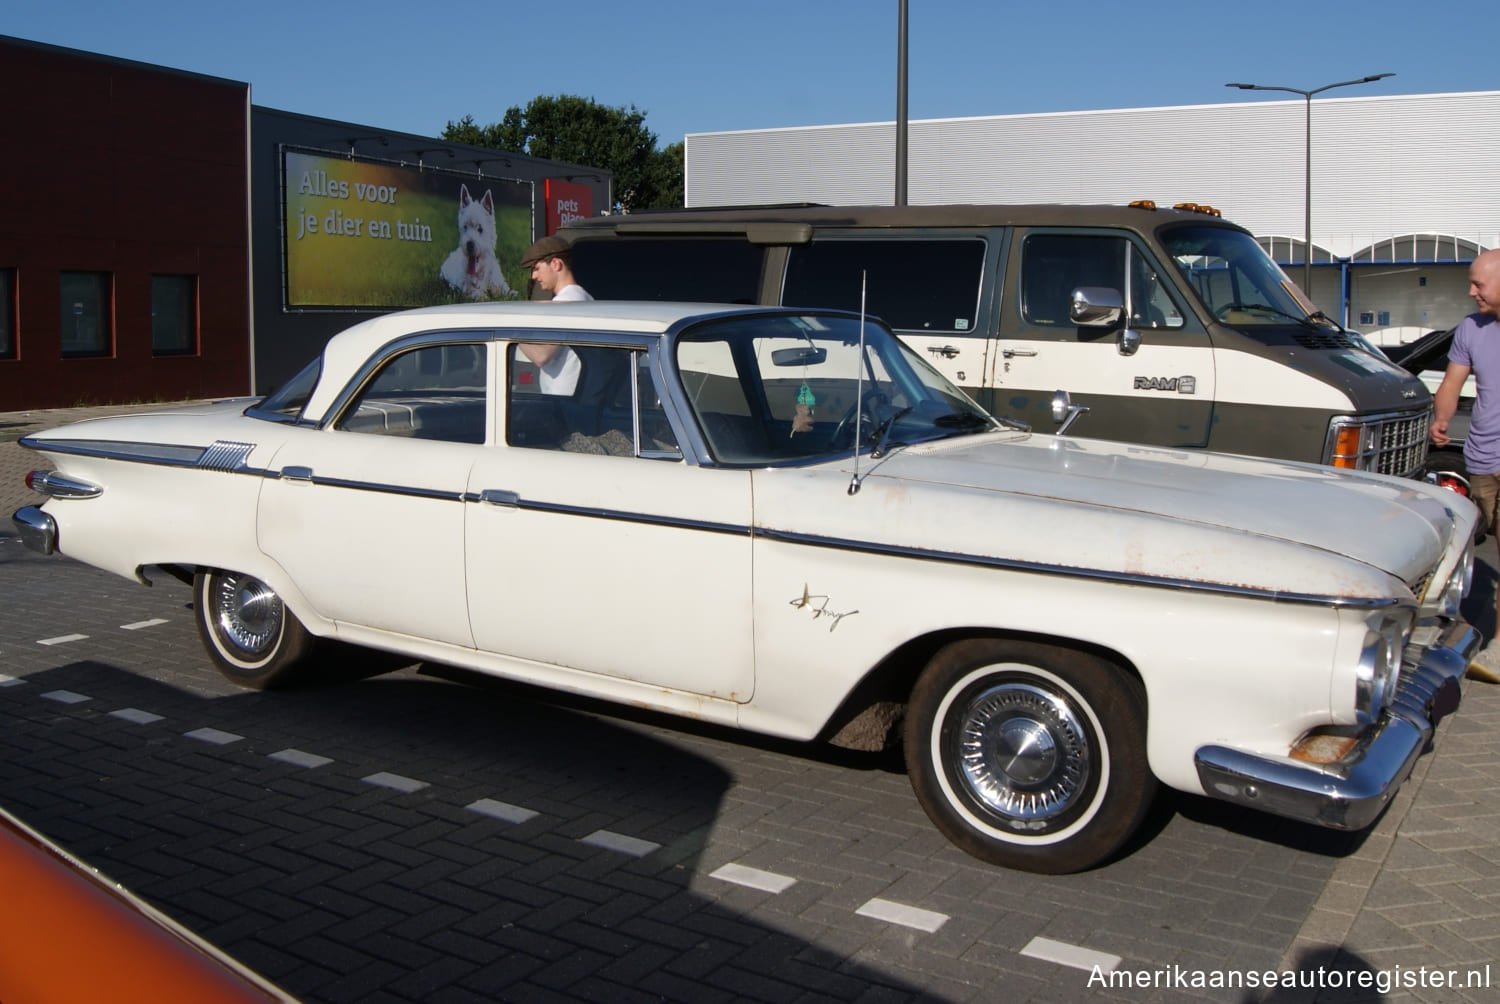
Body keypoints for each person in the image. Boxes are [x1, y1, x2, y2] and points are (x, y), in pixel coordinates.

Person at [1432, 248, 1500, 648]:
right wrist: (1441, 419)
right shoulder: (1471, 328)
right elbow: (1452, 384)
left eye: (1479, 284)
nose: (1472, 292)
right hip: (1481, 459)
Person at [516, 235, 592, 395]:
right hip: (574, 398)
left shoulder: (566, 302)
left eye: (537, 268)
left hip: (564, 400)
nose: (534, 276)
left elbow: (541, 355)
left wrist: (510, 332)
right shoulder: (582, 297)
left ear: (556, 264)